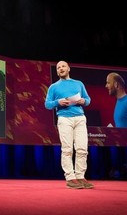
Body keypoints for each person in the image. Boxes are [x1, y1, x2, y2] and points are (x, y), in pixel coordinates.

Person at [44, 60, 93, 189]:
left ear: (68, 68)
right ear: (57, 71)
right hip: (64, 119)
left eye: (63, 66)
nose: (60, 68)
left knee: (82, 149)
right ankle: (70, 178)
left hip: (80, 118)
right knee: (67, 149)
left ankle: (80, 176)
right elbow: (47, 104)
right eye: (58, 67)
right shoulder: (53, 87)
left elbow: (88, 100)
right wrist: (58, 102)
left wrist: (83, 101)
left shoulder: (78, 84)